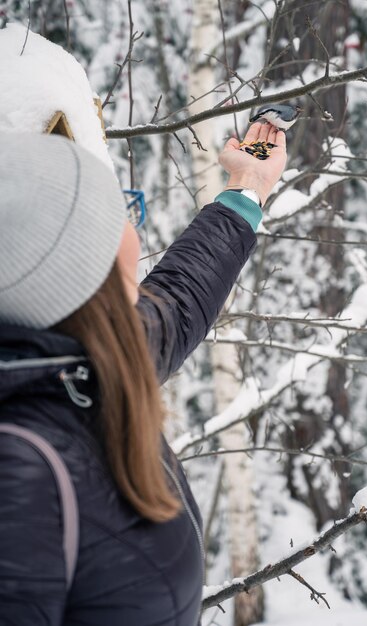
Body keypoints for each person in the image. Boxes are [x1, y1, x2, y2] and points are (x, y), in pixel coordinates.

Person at [0, 121, 286, 625]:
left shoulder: (87, 356)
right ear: (80, 269)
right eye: (119, 219)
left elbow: (179, 298)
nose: (134, 232)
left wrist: (250, 187)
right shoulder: (17, 468)